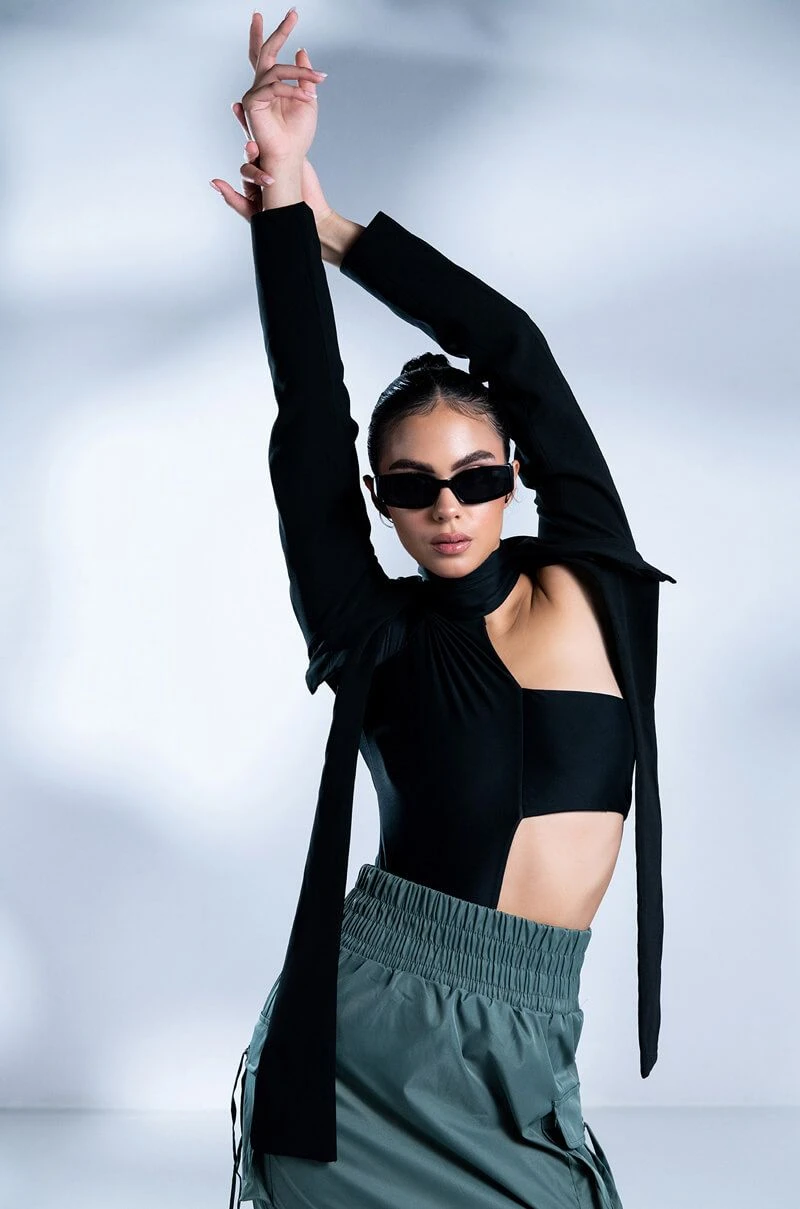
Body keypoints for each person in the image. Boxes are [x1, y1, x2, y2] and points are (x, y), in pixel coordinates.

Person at [213, 10, 676, 1209]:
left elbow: (514, 348)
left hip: (530, 1043)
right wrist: (273, 213)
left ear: (513, 472)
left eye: (473, 477)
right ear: (380, 501)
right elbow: (307, 411)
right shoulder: (373, 635)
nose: (447, 507)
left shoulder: (589, 580)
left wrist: (328, 227)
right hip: (362, 1053)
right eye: (411, 488)